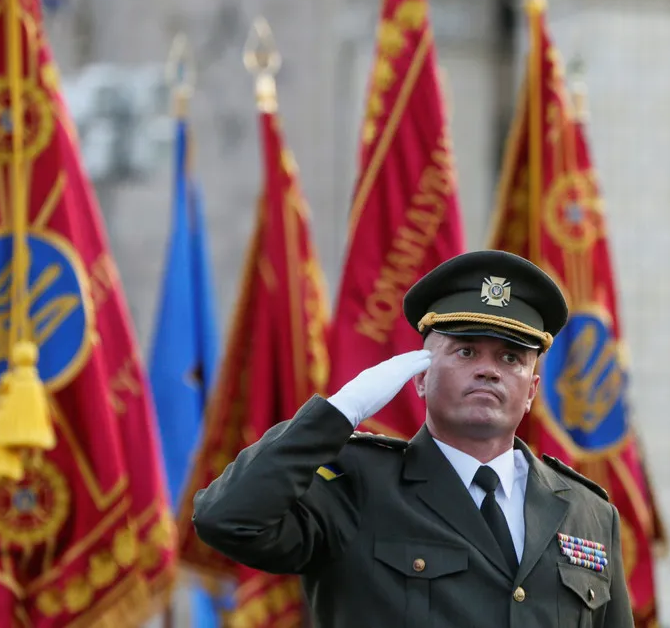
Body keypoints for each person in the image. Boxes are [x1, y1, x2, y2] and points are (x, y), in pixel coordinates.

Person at [192, 249, 635, 627]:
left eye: (510, 357)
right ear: (420, 378)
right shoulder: (355, 484)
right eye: (465, 351)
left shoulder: (587, 513)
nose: (488, 369)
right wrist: (339, 412)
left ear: (532, 391)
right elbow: (227, 519)